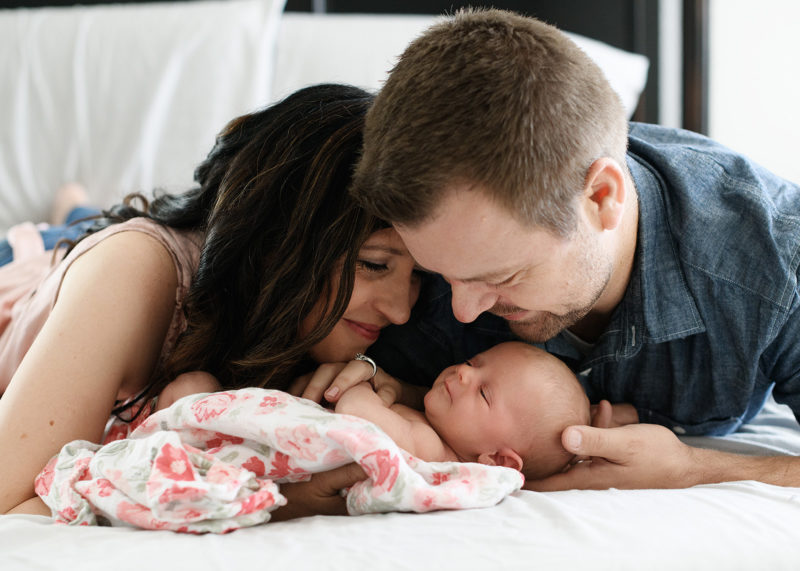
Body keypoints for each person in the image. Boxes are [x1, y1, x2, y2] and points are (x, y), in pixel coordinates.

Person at [351, 9, 800, 490]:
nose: (461, 310)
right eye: (435, 273)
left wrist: (694, 467)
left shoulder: (774, 264)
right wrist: (399, 387)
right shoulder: (423, 230)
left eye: (502, 277)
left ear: (602, 198)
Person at [0, 84, 422, 517]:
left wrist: (396, 387)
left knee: (88, 220)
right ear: (280, 240)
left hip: (125, 249)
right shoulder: (132, 273)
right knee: (58, 238)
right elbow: (14, 504)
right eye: (373, 264)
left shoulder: (334, 314)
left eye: (419, 275)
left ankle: (72, 208)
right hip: (22, 273)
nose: (401, 311)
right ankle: (67, 210)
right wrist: (272, 505)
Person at [152, 342, 619, 481]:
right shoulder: (430, 427)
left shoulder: (433, 453)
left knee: (192, 393)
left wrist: (370, 392)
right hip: (254, 430)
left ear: (498, 459)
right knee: (194, 391)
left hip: (243, 448)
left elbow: (356, 411)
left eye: (483, 393)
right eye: (475, 364)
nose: (461, 374)